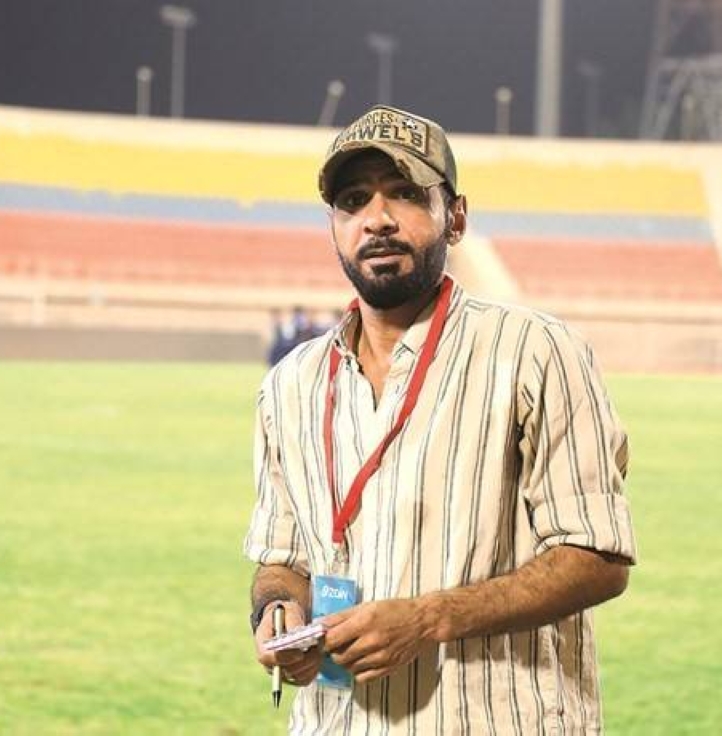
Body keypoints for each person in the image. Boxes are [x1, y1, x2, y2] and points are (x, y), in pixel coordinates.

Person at [244, 105, 636, 734]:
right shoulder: (289, 385)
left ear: (456, 217)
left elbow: (598, 556)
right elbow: (280, 559)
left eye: (404, 193)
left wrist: (428, 620)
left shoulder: (535, 352)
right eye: (353, 200)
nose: (377, 218)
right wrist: (277, 612)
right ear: (334, 226)